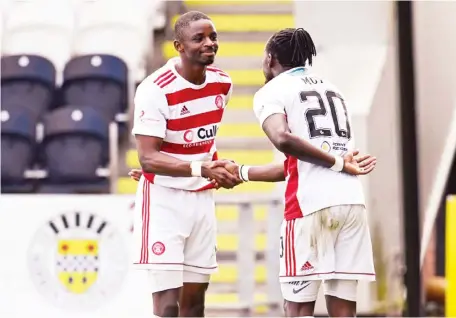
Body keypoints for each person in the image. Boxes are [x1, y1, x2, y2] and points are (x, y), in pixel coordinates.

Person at [130, 27, 377, 317]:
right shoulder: (332, 89)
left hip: (308, 207)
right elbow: (302, 163)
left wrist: (335, 162)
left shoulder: (271, 90)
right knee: (344, 305)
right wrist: (237, 171)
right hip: (351, 202)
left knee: (298, 307)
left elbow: (283, 139)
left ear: (270, 59)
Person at [130, 11, 242, 317]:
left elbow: (205, 138)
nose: (209, 44)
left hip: (201, 201)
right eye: (199, 38)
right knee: (168, 305)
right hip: (164, 202)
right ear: (179, 46)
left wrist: (214, 164)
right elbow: (148, 157)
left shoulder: (222, 83)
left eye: (213, 37)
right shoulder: (155, 89)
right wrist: (199, 168)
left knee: (195, 304)